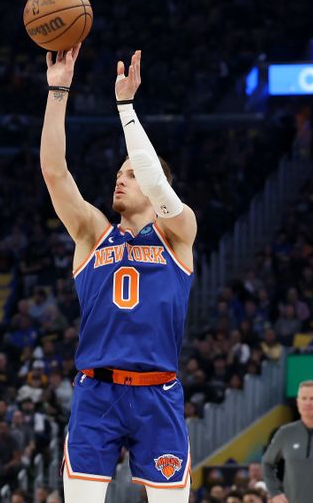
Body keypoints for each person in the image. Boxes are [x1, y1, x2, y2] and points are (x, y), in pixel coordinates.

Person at [40, 47, 197, 502]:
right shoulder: (92, 234)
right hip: (96, 393)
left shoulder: (178, 234)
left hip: (158, 394)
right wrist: (58, 91)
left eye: (131, 174)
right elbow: (54, 172)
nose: (121, 179)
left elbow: (156, 180)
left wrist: (126, 108)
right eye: (119, 173)